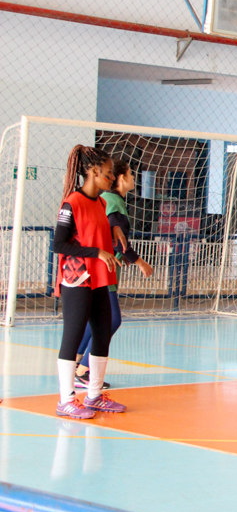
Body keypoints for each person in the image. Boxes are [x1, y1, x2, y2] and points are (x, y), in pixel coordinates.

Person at [53, 146, 128, 419]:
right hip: (77, 278)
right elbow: (59, 244)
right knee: (73, 336)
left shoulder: (102, 203)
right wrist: (96, 252)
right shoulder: (72, 202)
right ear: (94, 172)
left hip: (99, 278)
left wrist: (114, 227)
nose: (112, 178)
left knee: (103, 332)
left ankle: (94, 396)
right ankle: (66, 400)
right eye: (108, 173)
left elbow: (94, 229)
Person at [74, 159, 154, 390]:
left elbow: (109, 237)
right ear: (121, 178)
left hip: (97, 268)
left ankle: (75, 363)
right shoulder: (113, 202)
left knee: (94, 320)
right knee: (111, 320)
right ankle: (84, 371)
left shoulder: (108, 200)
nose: (134, 178)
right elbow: (118, 242)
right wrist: (139, 262)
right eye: (131, 174)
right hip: (101, 270)